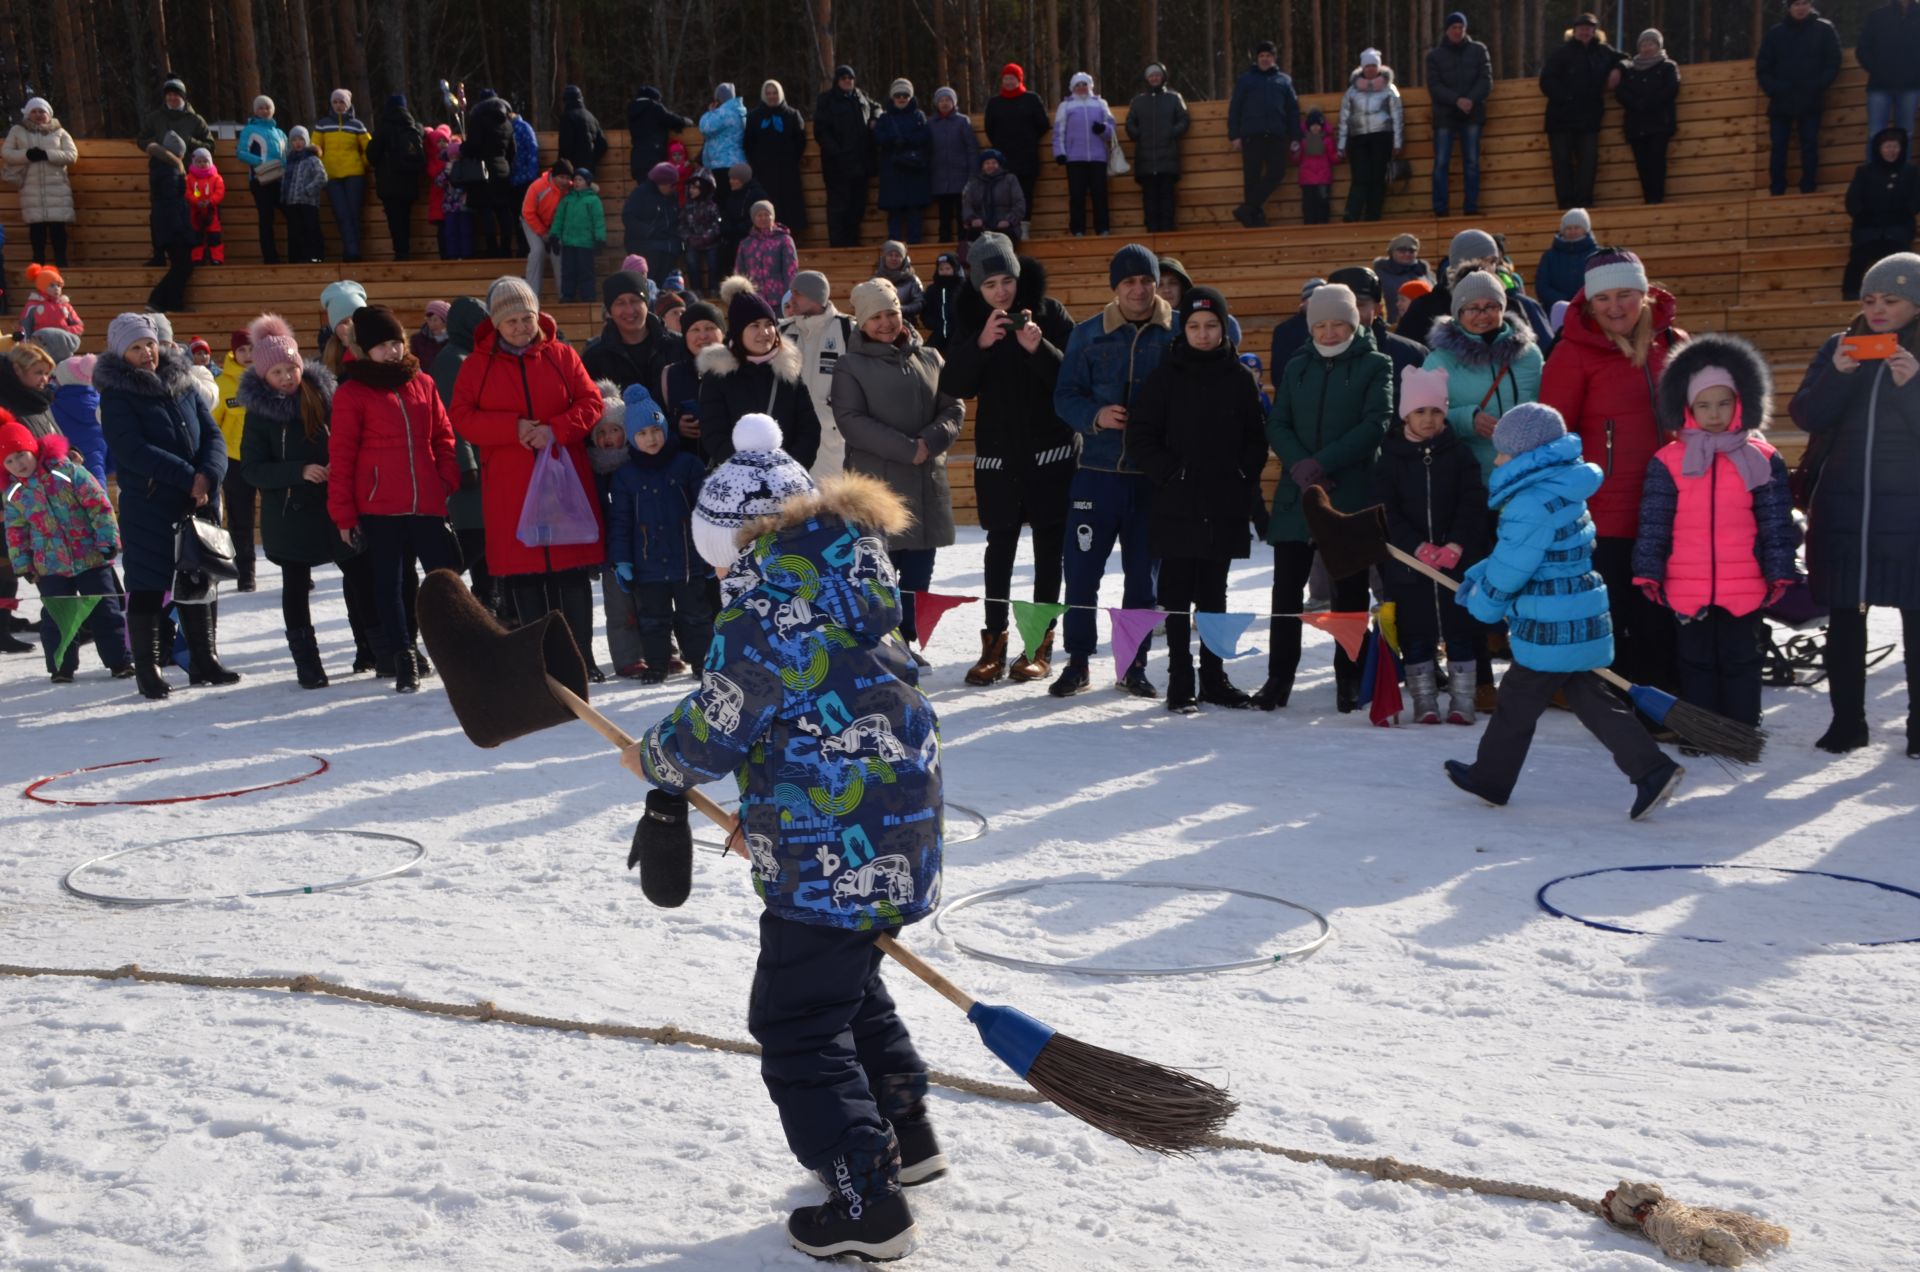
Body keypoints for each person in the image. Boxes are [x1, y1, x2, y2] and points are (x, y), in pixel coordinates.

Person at [619, 423, 938, 1264]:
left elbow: (715, 729)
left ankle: (869, 1199)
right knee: (850, 985)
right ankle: (905, 1128)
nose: (720, 574)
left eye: (718, 555)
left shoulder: (764, 605)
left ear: (737, 539)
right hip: (901, 833)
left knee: (795, 1021)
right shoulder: (857, 580)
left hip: (822, 847)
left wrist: (654, 756)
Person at [1444, 403, 1684, 817]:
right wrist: (1479, 573)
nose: (1498, 459)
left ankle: (1491, 778)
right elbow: (1539, 554)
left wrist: (1485, 603)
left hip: (1549, 618)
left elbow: (1513, 568)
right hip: (1576, 607)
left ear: (1527, 455)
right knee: (1586, 694)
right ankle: (1651, 769)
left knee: (1518, 698)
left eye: (1503, 452)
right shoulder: (1564, 489)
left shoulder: (1529, 503)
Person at [1633, 333, 1796, 738]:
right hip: (1686, 583)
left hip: (1745, 581)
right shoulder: (1668, 461)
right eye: (1704, 405)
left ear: (1741, 401)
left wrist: (1778, 570)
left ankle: (1741, 729)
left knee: (1741, 656)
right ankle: (1703, 730)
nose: (1715, 413)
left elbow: (1776, 521)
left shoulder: (1762, 458)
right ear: (1687, 408)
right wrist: (1649, 570)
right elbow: (1655, 521)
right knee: (1695, 659)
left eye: (1724, 403)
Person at [1790, 254, 1920, 757]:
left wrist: (1913, 387)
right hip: (1844, 510)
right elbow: (1805, 414)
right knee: (1844, 620)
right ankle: (1848, 723)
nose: (1879, 309)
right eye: (1870, 299)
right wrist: (1838, 373)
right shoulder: (1838, 347)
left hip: (1908, 514)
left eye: (1891, 300)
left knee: (1916, 619)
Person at [1539, 248, 1684, 697]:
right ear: (1588, 302)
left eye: (1625, 295)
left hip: (1671, 504)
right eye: (1604, 299)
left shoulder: (1673, 343)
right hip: (1607, 508)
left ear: (1643, 296)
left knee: (1660, 612)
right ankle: (1617, 703)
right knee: (1616, 611)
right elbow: (1553, 436)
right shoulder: (1572, 354)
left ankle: (1661, 699)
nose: (1615, 307)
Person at [451, 276, 607, 677]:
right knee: (525, 576)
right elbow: (462, 418)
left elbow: (590, 401)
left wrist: (557, 428)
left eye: (527, 317)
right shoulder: (476, 365)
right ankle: (539, 663)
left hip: (563, 478)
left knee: (570, 573)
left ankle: (581, 657)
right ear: (496, 323)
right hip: (511, 484)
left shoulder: (562, 354)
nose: (521, 327)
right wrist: (513, 428)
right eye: (512, 321)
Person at [938, 234, 1075, 685]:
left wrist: (1039, 349)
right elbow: (954, 385)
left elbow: (1073, 382)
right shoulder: (971, 324)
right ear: (978, 288)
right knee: (999, 550)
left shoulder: (1050, 313)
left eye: (1007, 280)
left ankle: (1038, 646)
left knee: (1048, 551)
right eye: (991, 284)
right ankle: (993, 646)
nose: (1002, 292)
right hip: (998, 458)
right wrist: (979, 343)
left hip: (1051, 455)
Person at [1124, 286, 1265, 714]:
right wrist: (1172, 472)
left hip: (1222, 504)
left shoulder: (1239, 377)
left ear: (1223, 329)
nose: (1203, 335)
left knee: (1214, 596)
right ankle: (1180, 681)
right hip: (1177, 504)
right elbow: (1141, 437)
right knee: (1177, 596)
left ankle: (1215, 678)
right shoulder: (1166, 376)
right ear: (1183, 330)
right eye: (1194, 326)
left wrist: (1241, 475)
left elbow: (1256, 440)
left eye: (1211, 326)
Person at [1259, 282, 1392, 712]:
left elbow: (1377, 422)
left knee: (1349, 593)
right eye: (1322, 325)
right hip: (1296, 495)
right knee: (1285, 593)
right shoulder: (1297, 365)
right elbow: (1278, 423)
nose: (1330, 333)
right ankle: (1279, 678)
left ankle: (1349, 677)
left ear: (1353, 323)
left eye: (1339, 324)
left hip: (1346, 495)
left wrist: (1324, 464)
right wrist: (1301, 465)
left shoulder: (1376, 364)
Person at [1052, 245, 1172, 697]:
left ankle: (1133, 664)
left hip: (1150, 479)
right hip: (1096, 472)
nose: (1139, 290)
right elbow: (1064, 396)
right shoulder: (1086, 335)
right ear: (1115, 288)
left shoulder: (1177, 333)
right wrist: (1095, 415)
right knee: (1081, 573)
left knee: (1144, 578)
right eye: (1129, 283)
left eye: (1146, 281)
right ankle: (1078, 661)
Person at [96, 312, 233, 698]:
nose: (146, 353)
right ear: (122, 353)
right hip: (152, 504)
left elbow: (212, 434)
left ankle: (204, 659)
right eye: (136, 347)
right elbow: (133, 450)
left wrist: (209, 473)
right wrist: (189, 477)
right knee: (148, 585)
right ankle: (149, 668)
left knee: (197, 578)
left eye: (150, 344)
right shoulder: (117, 395)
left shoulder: (183, 382)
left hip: (198, 499)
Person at [832, 278, 962, 648]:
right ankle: (881, 644)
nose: (886, 323)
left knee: (919, 575)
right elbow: (851, 421)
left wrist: (929, 442)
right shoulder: (850, 366)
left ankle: (908, 640)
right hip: (879, 491)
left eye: (892, 313)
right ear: (861, 322)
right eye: (876, 317)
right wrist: (909, 449)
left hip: (925, 486)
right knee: (878, 573)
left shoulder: (931, 357)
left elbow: (953, 407)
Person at [1374, 366, 1488, 724]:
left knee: (1460, 631)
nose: (1428, 419)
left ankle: (1463, 700)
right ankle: (1424, 700)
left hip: (1455, 562)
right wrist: (1416, 547)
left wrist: (1455, 545)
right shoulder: (1389, 458)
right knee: (1415, 632)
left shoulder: (1459, 455)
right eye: (1420, 411)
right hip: (1409, 566)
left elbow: (1471, 503)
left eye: (1436, 411)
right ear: (1406, 413)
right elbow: (1385, 510)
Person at [236, 315, 346, 687]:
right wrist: (298, 471)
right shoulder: (259, 415)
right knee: (295, 586)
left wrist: (339, 463)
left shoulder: (323, 399)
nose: (286, 377)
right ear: (264, 376)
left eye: (291, 368)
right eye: (277, 371)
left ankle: (374, 647)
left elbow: (346, 440)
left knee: (359, 572)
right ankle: (307, 662)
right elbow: (251, 469)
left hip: (334, 506)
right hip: (289, 515)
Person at [1, 415, 128, 683]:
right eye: (9, 461)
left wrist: (106, 541)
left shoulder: (66, 472)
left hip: (90, 556)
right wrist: (24, 565)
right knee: (58, 618)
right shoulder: (14, 494)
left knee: (105, 611)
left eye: (20, 455)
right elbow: (16, 533)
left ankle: (119, 661)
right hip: (50, 566)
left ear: (33, 448)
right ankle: (61, 667)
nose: (18, 465)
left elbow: (99, 505)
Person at [602, 383, 712, 681]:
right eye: (642, 434)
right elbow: (621, 522)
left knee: (695, 616)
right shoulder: (625, 476)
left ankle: (701, 661)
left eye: (655, 430)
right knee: (653, 619)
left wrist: (711, 554)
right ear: (632, 438)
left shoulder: (688, 465)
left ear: (664, 427)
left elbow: (705, 513)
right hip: (646, 562)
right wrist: (622, 560)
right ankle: (657, 663)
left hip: (687, 560)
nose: (651, 439)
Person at [1421, 270, 1544, 485]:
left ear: (1502, 308)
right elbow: (1419, 419)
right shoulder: (1439, 361)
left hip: (1527, 475)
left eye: (1491, 306)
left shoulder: (1529, 355)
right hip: (1468, 479)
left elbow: (1548, 404)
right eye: (1472, 308)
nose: (1483, 315)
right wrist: (1467, 420)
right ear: (1458, 313)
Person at [699, 278, 821, 468]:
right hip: (737, 482)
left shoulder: (787, 371)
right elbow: (713, 434)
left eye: (768, 324)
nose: (764, 332)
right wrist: (749, 470)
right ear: (738, 332)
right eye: (754, 325)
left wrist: (788, 468)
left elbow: (808, 429)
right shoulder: (718, 375)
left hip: (784, 480)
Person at [429, 296, 494, 613]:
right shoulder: (453, 359)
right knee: (473, 540)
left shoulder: (472, 354)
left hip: (486, 463)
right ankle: (437, 600)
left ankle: (486, 602)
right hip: (470, 471)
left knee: (488, 542)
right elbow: (451, 415)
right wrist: (464, 463)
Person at [1757, 0, 1842, 197]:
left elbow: (1834, 60)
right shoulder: (1775, 33)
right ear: (1790, 8)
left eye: (1804, 3)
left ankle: (1809, 189)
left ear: (1810, 5)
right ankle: (1777, 191)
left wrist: (1819, 85)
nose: (1801, 8)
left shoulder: (1824, 29)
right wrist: (1774, 89)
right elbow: (1763, 66)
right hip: (1781, 99)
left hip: (1810, 97)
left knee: (1809, 145)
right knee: (1778, 147)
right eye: (1796, 4)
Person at [1540, 14, 1625, 210]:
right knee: (1562, 164)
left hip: (1589, 119)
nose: (1585, 31)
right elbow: (1546, 82)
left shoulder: (1603, 52)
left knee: (1588, 163)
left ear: (1595, 31)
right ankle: (1565, 205)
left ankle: (1584, 204)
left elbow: (1626, 59)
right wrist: (1568, 98)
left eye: (1589, 28)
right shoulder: (1561, 53)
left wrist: (1618, 69)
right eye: (1582, 28)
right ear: (1574, 31)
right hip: (1561, 118)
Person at [780, 270, 854, 477]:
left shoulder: (848, 330)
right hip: (791, 437)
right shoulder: (782, 332)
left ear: (814, 295)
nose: (791, 299)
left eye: (797, 293)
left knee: (831, 504)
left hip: (834, 440)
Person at [135, 78, 214, 264]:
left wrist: (188, 142)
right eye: (169, 95)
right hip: (160, 174)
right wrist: (156, 148)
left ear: (183, 97)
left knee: (189, 213)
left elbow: (210, 145)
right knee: (158, 215)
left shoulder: (195, 120)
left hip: (188, 175)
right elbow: (141, 139)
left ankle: (193, 255)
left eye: (176, 95)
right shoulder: (155, 117)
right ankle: (158, 255)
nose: (172, 98)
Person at [1228, 41, 1301, 228]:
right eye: (1262, 56)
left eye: (1268, 56)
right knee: (1251, 177)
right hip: (1252, 135)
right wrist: (1234, 135)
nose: (1265, 59)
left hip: (1277, 135)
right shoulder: (1246, 80)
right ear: (1257, 59)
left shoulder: (1284, 80)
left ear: (1274, 58)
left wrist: (1295, 137)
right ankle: (1254, 219)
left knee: (1277, 172)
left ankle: (1247, 208)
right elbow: (1235, 108)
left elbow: (1293, 110)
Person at [1844, 128, 1920, 298]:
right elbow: (1853, 201)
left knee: (1899, 258)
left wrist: (1901, 215)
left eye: (1895, 147)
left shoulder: (1911, 172)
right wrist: (1866, 217)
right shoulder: (1864, 172)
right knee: (1859, 256)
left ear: (1901, 149)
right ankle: (1850, 295)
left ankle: (1902, 296)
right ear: (1879, 149)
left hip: (1898, 226)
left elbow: (1915, 200)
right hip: (1869, 227)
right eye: (1887, 147)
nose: (1891, 151)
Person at [1427, 12, 1490, 217]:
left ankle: (1471, 207)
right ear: (1447, 30)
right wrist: (1457, 100)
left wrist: (1470, 99)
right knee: (1441, 163)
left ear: (1465, 29)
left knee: (1471, 162)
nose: (1457, 31)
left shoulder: (1479, 50)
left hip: (1472, 114)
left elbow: (1486, 79)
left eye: (1460, 27)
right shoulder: (1435, 56)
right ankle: (1440, 208)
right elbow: (1434, 86)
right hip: (1445, 115)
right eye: (1453, 27)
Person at [3, 97, 78, 269]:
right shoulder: (17, 130)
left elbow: (72, 155)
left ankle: (62, 263)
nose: (38, 115)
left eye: (42, 111)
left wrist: (47, 155)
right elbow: (6, 153)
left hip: (57, 186)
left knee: (58, 227)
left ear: (49, 114)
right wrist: (27, 155)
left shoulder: (60, 132)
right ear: (28, 114)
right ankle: (38, 263)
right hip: (31, 186)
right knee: (37, 228)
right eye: (34, 111)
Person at [584, 270, 682, 397]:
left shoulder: (677, 346)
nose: (629, 310)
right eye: (620, 303)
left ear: (646, 304)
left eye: (635, 300)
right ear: (610, 311)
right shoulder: (594, 358)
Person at [211, 330, 258, 591]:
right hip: (235, 459)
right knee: (240, 519)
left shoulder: (269, 376)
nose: (247, 355)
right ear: (233, 353)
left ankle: (295, 568)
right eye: (242, 350)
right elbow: (214, 424)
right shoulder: (223, 384)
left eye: (252, 349)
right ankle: (246, 571)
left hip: (267, 458)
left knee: (278, 516)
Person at [815, 66, 880, 248]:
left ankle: (853, 244)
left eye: (851, 77)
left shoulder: (861, 97)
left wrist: (875, 118)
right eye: (843, 78)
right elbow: (821, 131)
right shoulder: (826, 100)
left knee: (857, 208)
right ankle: (838, 246)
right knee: (838, 209)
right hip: (837, 167)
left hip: (861, 165)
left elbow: (878, 108)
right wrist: (837, 153)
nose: (848, 81)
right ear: (837, 80)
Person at [1338, 48, 1403, 223]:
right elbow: (1344, 118)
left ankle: (1373, 215)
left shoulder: (1389, 89)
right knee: (1360, 177)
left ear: (1379, 67)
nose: (1370, 69)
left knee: (1377, 178)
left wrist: (1397, 143)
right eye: (1367, 66)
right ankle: (1351, 214)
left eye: (1374, 66)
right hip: (1358, 138)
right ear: (1362, 68)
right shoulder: (1352, 91)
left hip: (1382, 138)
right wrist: (1341, 146)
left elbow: (1397, 116)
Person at [1327, 265, 1426, 379]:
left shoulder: (1411, 355)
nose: (1350, 314)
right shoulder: (1309, 360)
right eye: (1341, 306)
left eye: (1359, 305)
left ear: (1378, 309)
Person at [985, 64, 1050, 236]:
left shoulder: (1031, 99)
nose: (1008, 82)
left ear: (1019, 79)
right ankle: (1005, 229)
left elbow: (1043, 125)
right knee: (1003, 195)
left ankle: (1024, 228)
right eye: (1005, 78)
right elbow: (989, 129)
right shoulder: (994, 103)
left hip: (1027, 156)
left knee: (1025, 194)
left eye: (1012, 78)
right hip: (1003, 159)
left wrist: (1028, 139)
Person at [1617, 30, 1681, 205]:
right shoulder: (1629, 69)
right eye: (1643, 44)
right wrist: (1636, 103)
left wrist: (1647, 103)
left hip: (1659, 124)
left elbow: (1671, 89)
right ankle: (1648, 199)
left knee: (1657, 162)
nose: (1647, 48)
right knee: (1642, 165)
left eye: (1651, 44)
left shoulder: (1668, 66)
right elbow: (1621, 92)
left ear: (1658, 46)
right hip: (1636, 125)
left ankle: (1657, 199)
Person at [1128, 63, 1190, 234]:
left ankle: (1167, 231)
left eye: (1157, 75)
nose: (1154, 78)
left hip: (1167, 158)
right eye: (1151, 75)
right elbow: (1130, 123)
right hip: (1145, 160)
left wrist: (1172, 132)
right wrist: (1137, 134)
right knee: (1149, 199)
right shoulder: (1138, 101)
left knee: (1167, 197)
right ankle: (1152, 232)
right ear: (1146, 79)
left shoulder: (1174, 98)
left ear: (1163, 77)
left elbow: (1184, 119)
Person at [1054, 73, 1118, 238]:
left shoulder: (1100, 103)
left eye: (1084, 84)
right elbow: (1059, 132)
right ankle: (1077, 230)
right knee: (1077, 196)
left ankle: (1103, 229)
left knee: (1100, 195)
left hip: (1098, 157)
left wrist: (1103, 129)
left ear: (1090, 86)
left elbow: (1111, 128)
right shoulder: (1065, 106)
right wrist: (1060, 152)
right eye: (1078, 85)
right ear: (1073, 88)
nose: (1081, 87)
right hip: (1074, 159)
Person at [660, 296, 725, 452]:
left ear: (722, 333)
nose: (703, 336)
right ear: (685, 336)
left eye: (709, 328)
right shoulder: (670, 375)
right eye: (695, 329)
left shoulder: (738, 371)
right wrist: (674, 424)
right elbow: (655, 417)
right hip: (687, 468)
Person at [314, 88, 371, 262]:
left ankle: (353, 252)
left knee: (353, 214)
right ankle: (351, 251)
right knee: (341, 214)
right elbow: (315, 147)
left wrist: (362, 163)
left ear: (348, 104)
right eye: (335, 102)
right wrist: (322, 164)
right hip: (331, 176)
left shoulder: (357, 125)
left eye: (342, 102)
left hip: (354, 174)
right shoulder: (322, 124)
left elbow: (369, 148)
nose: (338, 105)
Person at [745, 81, 808, 236]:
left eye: (775, 93)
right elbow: (748, 143)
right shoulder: (754, 116)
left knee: (790, 205)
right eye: (768, 93)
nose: (772, 96)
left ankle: (791, 237)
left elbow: (800, 140)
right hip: (764, 171)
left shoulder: (792, 115)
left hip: (787, 170)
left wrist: (791, 158)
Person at [460, 90, 519, 257]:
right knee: (503, 210)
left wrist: (464, 148)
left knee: (486, 210)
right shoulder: (507, 122)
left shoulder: (478, 120)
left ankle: (492, 249)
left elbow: (474, 146)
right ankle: (506, 248)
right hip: (503, 168)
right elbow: (512, 150)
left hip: (482, 170)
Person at [367, 94, 426, 261]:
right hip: (409, 181)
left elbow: (371, 155)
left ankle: (401, 253)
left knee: (395, 220)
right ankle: (406, 251)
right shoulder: (413, 126)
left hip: (389, 183)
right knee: (406, 217)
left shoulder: (383, 128)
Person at [874, 80, 932, 245]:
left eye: (905, 95)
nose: (901, 98)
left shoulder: (918, 115)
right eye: (898, 95)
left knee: (915, 213)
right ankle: (893, 249)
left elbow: (925, 137)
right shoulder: (885, 118)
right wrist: (894, 140)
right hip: (893, 172)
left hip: (914, 171)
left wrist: (905, 140)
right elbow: (878, 137)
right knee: (894, 214)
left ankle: (916, 247)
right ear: (892, 97)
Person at [1859, 0, 1920, 156]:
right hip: (1879, 87)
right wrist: (1878, 71)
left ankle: (1903, 179)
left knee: (1906, 134)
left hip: (1911, 87)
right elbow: (1863, 49)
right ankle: (1873, 178)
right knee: (1875, 134)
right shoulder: (1877, 16)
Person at [143, 132, 194, 313]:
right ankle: (158, 299)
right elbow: (173, 203)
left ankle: (172, 303)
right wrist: (183, 229)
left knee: (181, 265)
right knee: (183, 265)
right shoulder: (171, 171)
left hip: (164, 226)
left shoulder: (160, 168)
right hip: (173, 227)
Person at [236, 97, 288, 264]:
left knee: (292, 213)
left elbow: (286, 156)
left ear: (272, 110)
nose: (265, 111)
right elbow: (241, 153)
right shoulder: (250, 130)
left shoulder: (280, 133)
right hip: (260, 179)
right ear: (255, 111)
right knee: (266, 218)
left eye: (268, 108)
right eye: (261, 108)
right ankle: (270, 257)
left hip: (280, 180)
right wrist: (263, 163)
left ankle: (298, 253)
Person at [924, 86, 977, 243]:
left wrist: (973, 175)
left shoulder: (962, 121)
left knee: (963, 217)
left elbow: (972, 150)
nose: (945, 103)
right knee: (944, 217)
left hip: (961, 179)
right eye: (941, 100)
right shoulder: (931, 124)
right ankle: (944, 249)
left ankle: (963, 249)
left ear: (954, 103)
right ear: (936, 103)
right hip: (939, 179)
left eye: (948, 100)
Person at [550, 167, 607, 304]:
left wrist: (600, 238)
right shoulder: (567, 200)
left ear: (587, 182)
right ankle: (567, 294)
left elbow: (598, 221)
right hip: (569, 242)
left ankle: (588, 295)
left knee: (586, 271)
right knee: (568, 271)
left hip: (585, 243)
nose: (576, 182)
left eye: (580, 180)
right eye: (575, 180)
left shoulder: (593, 200)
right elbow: (559, 219)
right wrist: (554, 235)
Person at [50, 354, 104, 488]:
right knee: (98, 487)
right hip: (99, 452)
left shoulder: (56, 404)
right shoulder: (100, 402)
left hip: (72, 457)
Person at [624, 162, 683, 283]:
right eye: (672, 185)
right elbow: (628, 218)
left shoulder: (672, 196)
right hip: (646, 245)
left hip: (669, 246)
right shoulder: (641, 194)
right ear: (662, 183)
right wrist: (649, 231)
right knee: (649, 280)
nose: (674, 188)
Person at [1535, 209, 1600, 311]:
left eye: (1577, 227)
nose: (1572, 231)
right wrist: (1564, 302)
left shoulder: (1597, 255)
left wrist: (1582, 302)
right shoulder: (1549, 256)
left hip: (1589, 311)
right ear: (1563, 230)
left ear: (1585, 229)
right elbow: (1542, 287)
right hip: (1556, 311)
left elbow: (1601, 285)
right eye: (1568, 228)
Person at [960, 149, 1026, 250]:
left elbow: (1019, 203)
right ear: (982, 166)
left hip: (1006, 227)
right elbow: (967, 205)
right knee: (973, 237)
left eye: (994, 163)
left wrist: (1008, 221)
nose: (990, 166)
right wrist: (972, 219)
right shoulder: (974, 183)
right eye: (987, 163)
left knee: (1005, 240)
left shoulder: (1010, 179)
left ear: (999, 164)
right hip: (982, 227)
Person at [281, 126, 328, 263]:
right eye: (294, 140)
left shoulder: (312, 159)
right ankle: (296, 259)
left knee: (311, 229)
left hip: (308, 202)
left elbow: (322, 177)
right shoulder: (289, 161)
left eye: (301, 139)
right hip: (292, 202)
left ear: (306, 140)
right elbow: (285, 181)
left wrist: (308, 190)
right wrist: (284, 197)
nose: (298, 143)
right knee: (295, 232)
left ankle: (315, 256)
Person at [627, 86, 693, 183]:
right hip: (654, 158)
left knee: (644, 192)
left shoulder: (632, 110)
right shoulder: (653, 107)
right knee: (656, 192)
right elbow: (671, 119)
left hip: (638, 159)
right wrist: (685, 121)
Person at [736, 201, 798, 303]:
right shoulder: (745, 244)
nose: (763, 218)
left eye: (767, 214)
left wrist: (789, 296)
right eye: (759, 215)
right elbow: (740, 272)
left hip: (779, 298)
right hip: (755, 300)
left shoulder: (784, 240)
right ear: (753, 218)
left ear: (773, 217)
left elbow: (791, 270)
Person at [718, 163, 770, 277]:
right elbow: (727, 214)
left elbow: (760, 217)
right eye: (730, 178)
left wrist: (740, 228)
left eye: (734, 179)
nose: (731, 181)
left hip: (751, 234)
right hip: (733, 235)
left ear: (743, 179)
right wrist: (726, 227)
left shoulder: (757, 194)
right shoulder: (732, 195)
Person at [1373, 234, 1433, 325]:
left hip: (1424, 324)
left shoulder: (1423, 270)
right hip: (1392, 325)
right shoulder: (1380, 273)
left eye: (1411, 250)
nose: (1407, 254)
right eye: (1402, 250)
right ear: (1391, 252)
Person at [679, 170, 723, 293]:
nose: (691, 190)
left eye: (695, 188)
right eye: (690, 187)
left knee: (713, 263)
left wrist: (705, 238)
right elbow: (682, 225)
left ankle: (714, 289)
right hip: (692, 242)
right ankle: (696, 290)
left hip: (711, 243)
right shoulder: (687, 207)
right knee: (691, 262)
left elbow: (716, 226)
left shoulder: (712, 206)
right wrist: (689, 238)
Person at [700, 83, 747, 190]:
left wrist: (710, 113)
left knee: (722, 198)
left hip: (723, 163)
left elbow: (705, 128)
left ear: (719, 99)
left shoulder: (724, 113)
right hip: (738, 161)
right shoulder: (739, 110)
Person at [1295, 108, 1336, 225]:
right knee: (1308, 205)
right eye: (1313, 125)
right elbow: (1296, 159)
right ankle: (1309, 227)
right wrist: (1295, 151)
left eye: (1318, 125)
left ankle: (1323, 227)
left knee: (1323, 204)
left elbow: (1332, 157)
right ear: (1308, 126)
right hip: (1307, 180)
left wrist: (1339, 156)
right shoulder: (1303, 141)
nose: (1315, 127)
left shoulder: (1327, 140)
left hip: (1323, 179)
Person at [185, 147, 226, 265]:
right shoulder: (189, 178)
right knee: (196, 237)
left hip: (212, 211)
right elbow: (187, 192)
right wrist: (196, 201)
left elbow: (220, 192)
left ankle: (216, 258)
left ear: (210, 162)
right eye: (199, 161)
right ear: (194, 162)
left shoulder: (216, 177)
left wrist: (210, 201)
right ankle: (197, 259)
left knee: (214, 236)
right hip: (195, 212)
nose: (202, 164)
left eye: (205, 161)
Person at [556, 85, 609, 173]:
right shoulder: (591, 116)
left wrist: (562, 167)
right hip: (589, 170)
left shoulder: (567, 117)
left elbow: (565, 146)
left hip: (572, 169)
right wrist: (592, 159)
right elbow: (602, 145)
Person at [19, 265, 82, 338]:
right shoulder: (33, 306)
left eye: (59, 285)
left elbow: (78, 325)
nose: (56, 289)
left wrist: (65, 333)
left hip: (62, 346)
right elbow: (24, 328)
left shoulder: (65, 306)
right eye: (52, 285)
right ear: (42, 286)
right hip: (40, 346)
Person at [872, 241, 925, 321]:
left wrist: (900, 309)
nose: (894, 258)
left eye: (898, 255)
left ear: (903, 259)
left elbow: (920, 303)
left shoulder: (912, 279)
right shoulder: (875, 280)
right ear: (884, 257)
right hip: (880, 323)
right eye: (890, 255)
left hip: (906, 322)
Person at [921, 253, 962, 354]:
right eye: (941, 269)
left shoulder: (962, 287)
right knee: (926, 354)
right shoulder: (932, 289)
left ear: (954, 269)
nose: (944, 272)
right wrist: (934, 324)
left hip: (958, 333)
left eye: (948, 268)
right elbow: (925, 312)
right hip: (939, 331)